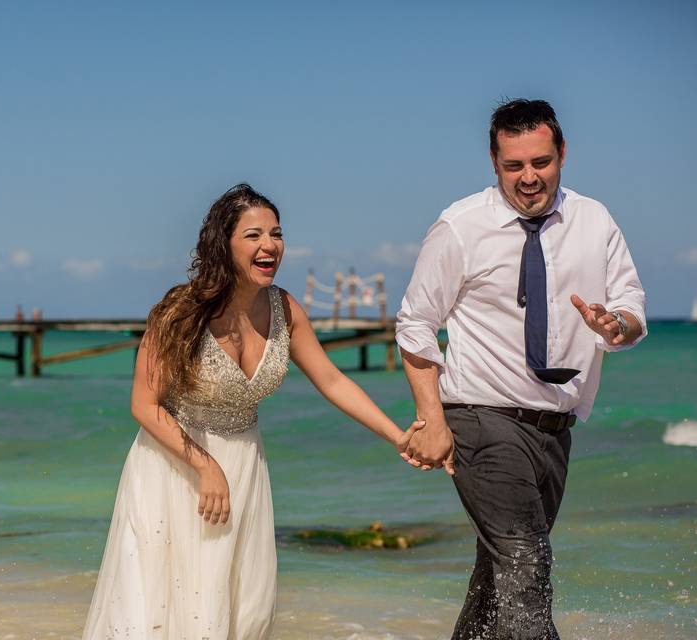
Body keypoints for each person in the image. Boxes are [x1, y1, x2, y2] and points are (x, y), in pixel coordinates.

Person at [82, 183, 421, 639]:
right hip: (174, 467)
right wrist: (206, 466)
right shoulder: (180, 312)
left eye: (276, 234)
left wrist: (398, 436)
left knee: (245, 610)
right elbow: (143, 405)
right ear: (224, 244)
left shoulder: (284, 309)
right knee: (173, 609)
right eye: (254, 235)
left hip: (245, 466)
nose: (269, 246)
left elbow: (333, 380)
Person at [395, 99, 646, 639]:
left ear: (561, 154)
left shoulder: (594, 219)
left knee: (497, 581)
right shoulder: (460, 226)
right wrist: (431, 418)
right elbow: (415, 324)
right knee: (527, 568)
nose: (529, 178)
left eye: (541, 162)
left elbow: (632, 309)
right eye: (514, 166)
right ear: (494, 162)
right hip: (482, 421)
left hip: (555, 431)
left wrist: (615, 325)